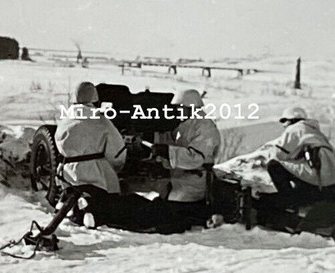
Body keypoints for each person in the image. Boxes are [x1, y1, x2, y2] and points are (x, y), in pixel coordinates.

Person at [54, 81, 153, 231]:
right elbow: (116, 149)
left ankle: (73, 203)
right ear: (95, 98)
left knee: (76, 187)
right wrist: (116, 167)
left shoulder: (65, 119)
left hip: (68, 171)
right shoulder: (100, 120)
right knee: (108, 199)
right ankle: (93, 211)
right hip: (95, 172)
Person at [255, 106, 335, 225]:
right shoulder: (314, 131)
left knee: (273, 165)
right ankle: (299, 200)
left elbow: (279, 155)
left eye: (284, 120)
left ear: (291, 119)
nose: (283, 125)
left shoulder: (295, 129)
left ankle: (288, 201)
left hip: (316, 175)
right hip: (331, 181)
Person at [147, 88, 222, 233]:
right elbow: (176, 149)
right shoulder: (186, 125)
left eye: (180, 108)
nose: (178, 112)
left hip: (194, 182)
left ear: (191, 106)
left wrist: (167, 151)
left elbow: (195, 158)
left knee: (169, 213)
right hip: (180, 179)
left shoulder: (205, 127)